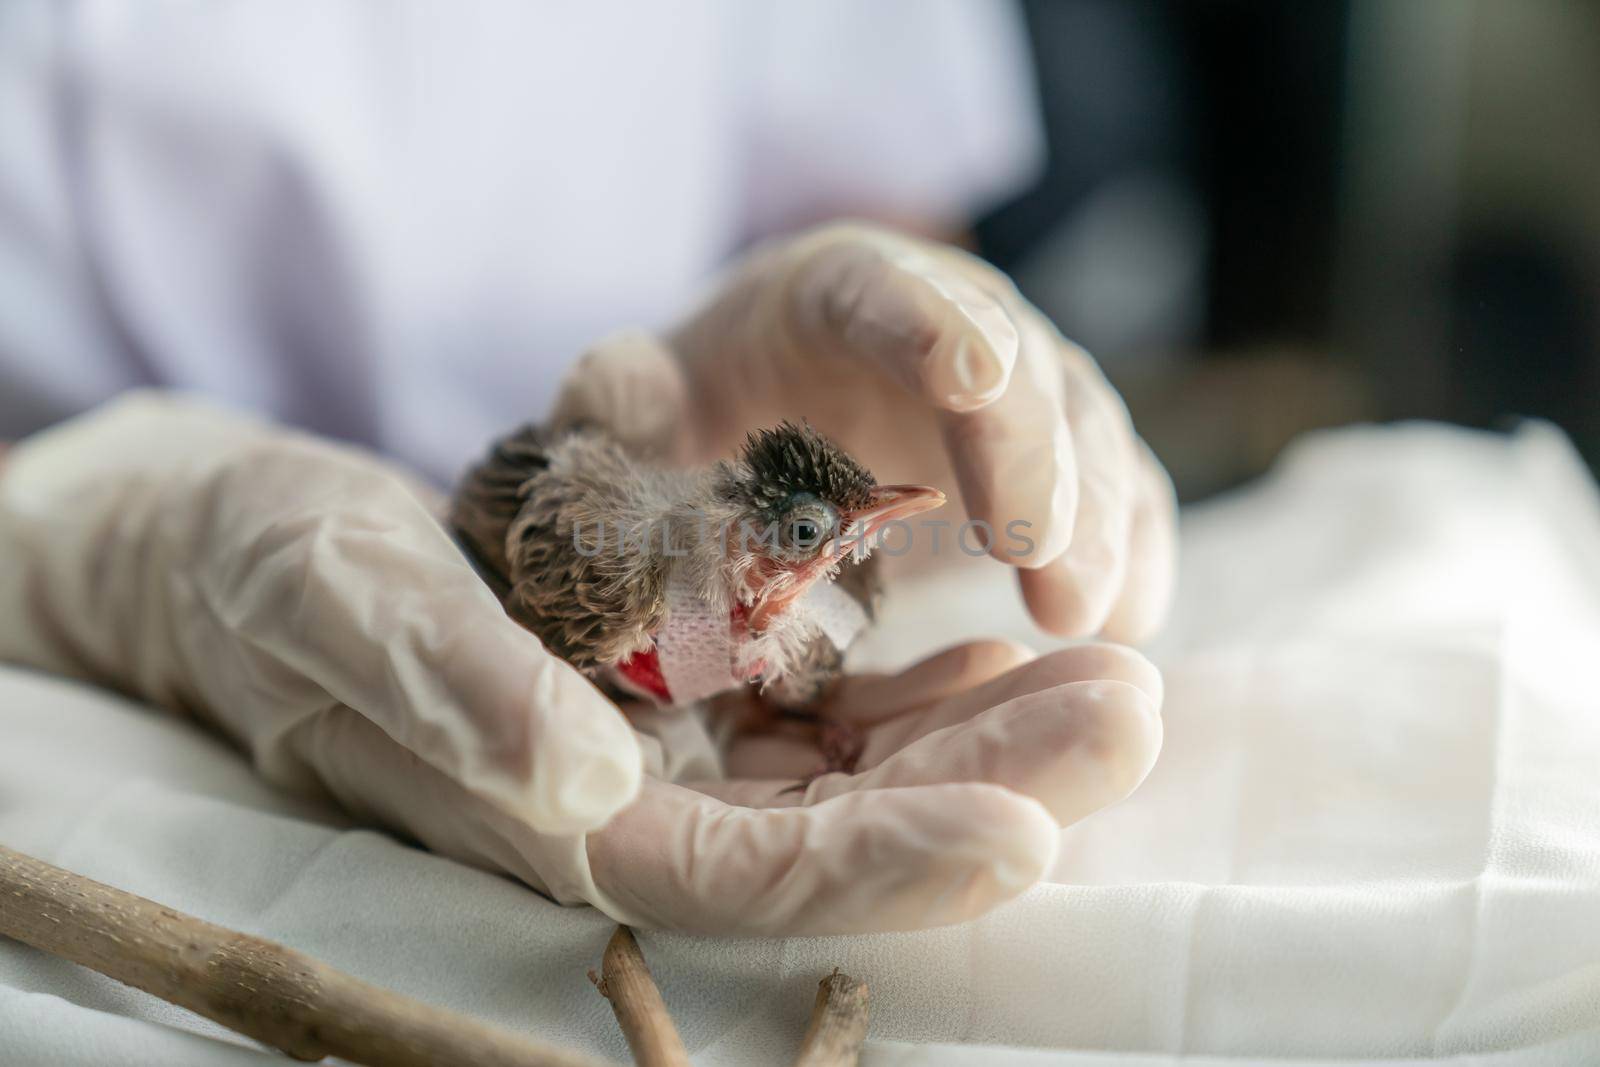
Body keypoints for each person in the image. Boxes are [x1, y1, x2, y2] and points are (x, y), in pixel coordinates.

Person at [0, 1, 1175, 935]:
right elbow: (526, 544)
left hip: (654, 428)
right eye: (821, 535)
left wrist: (918, 342)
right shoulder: (629, 585)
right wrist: (120, 534)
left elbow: (881, 173)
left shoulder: (819, 613)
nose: (850, 550)